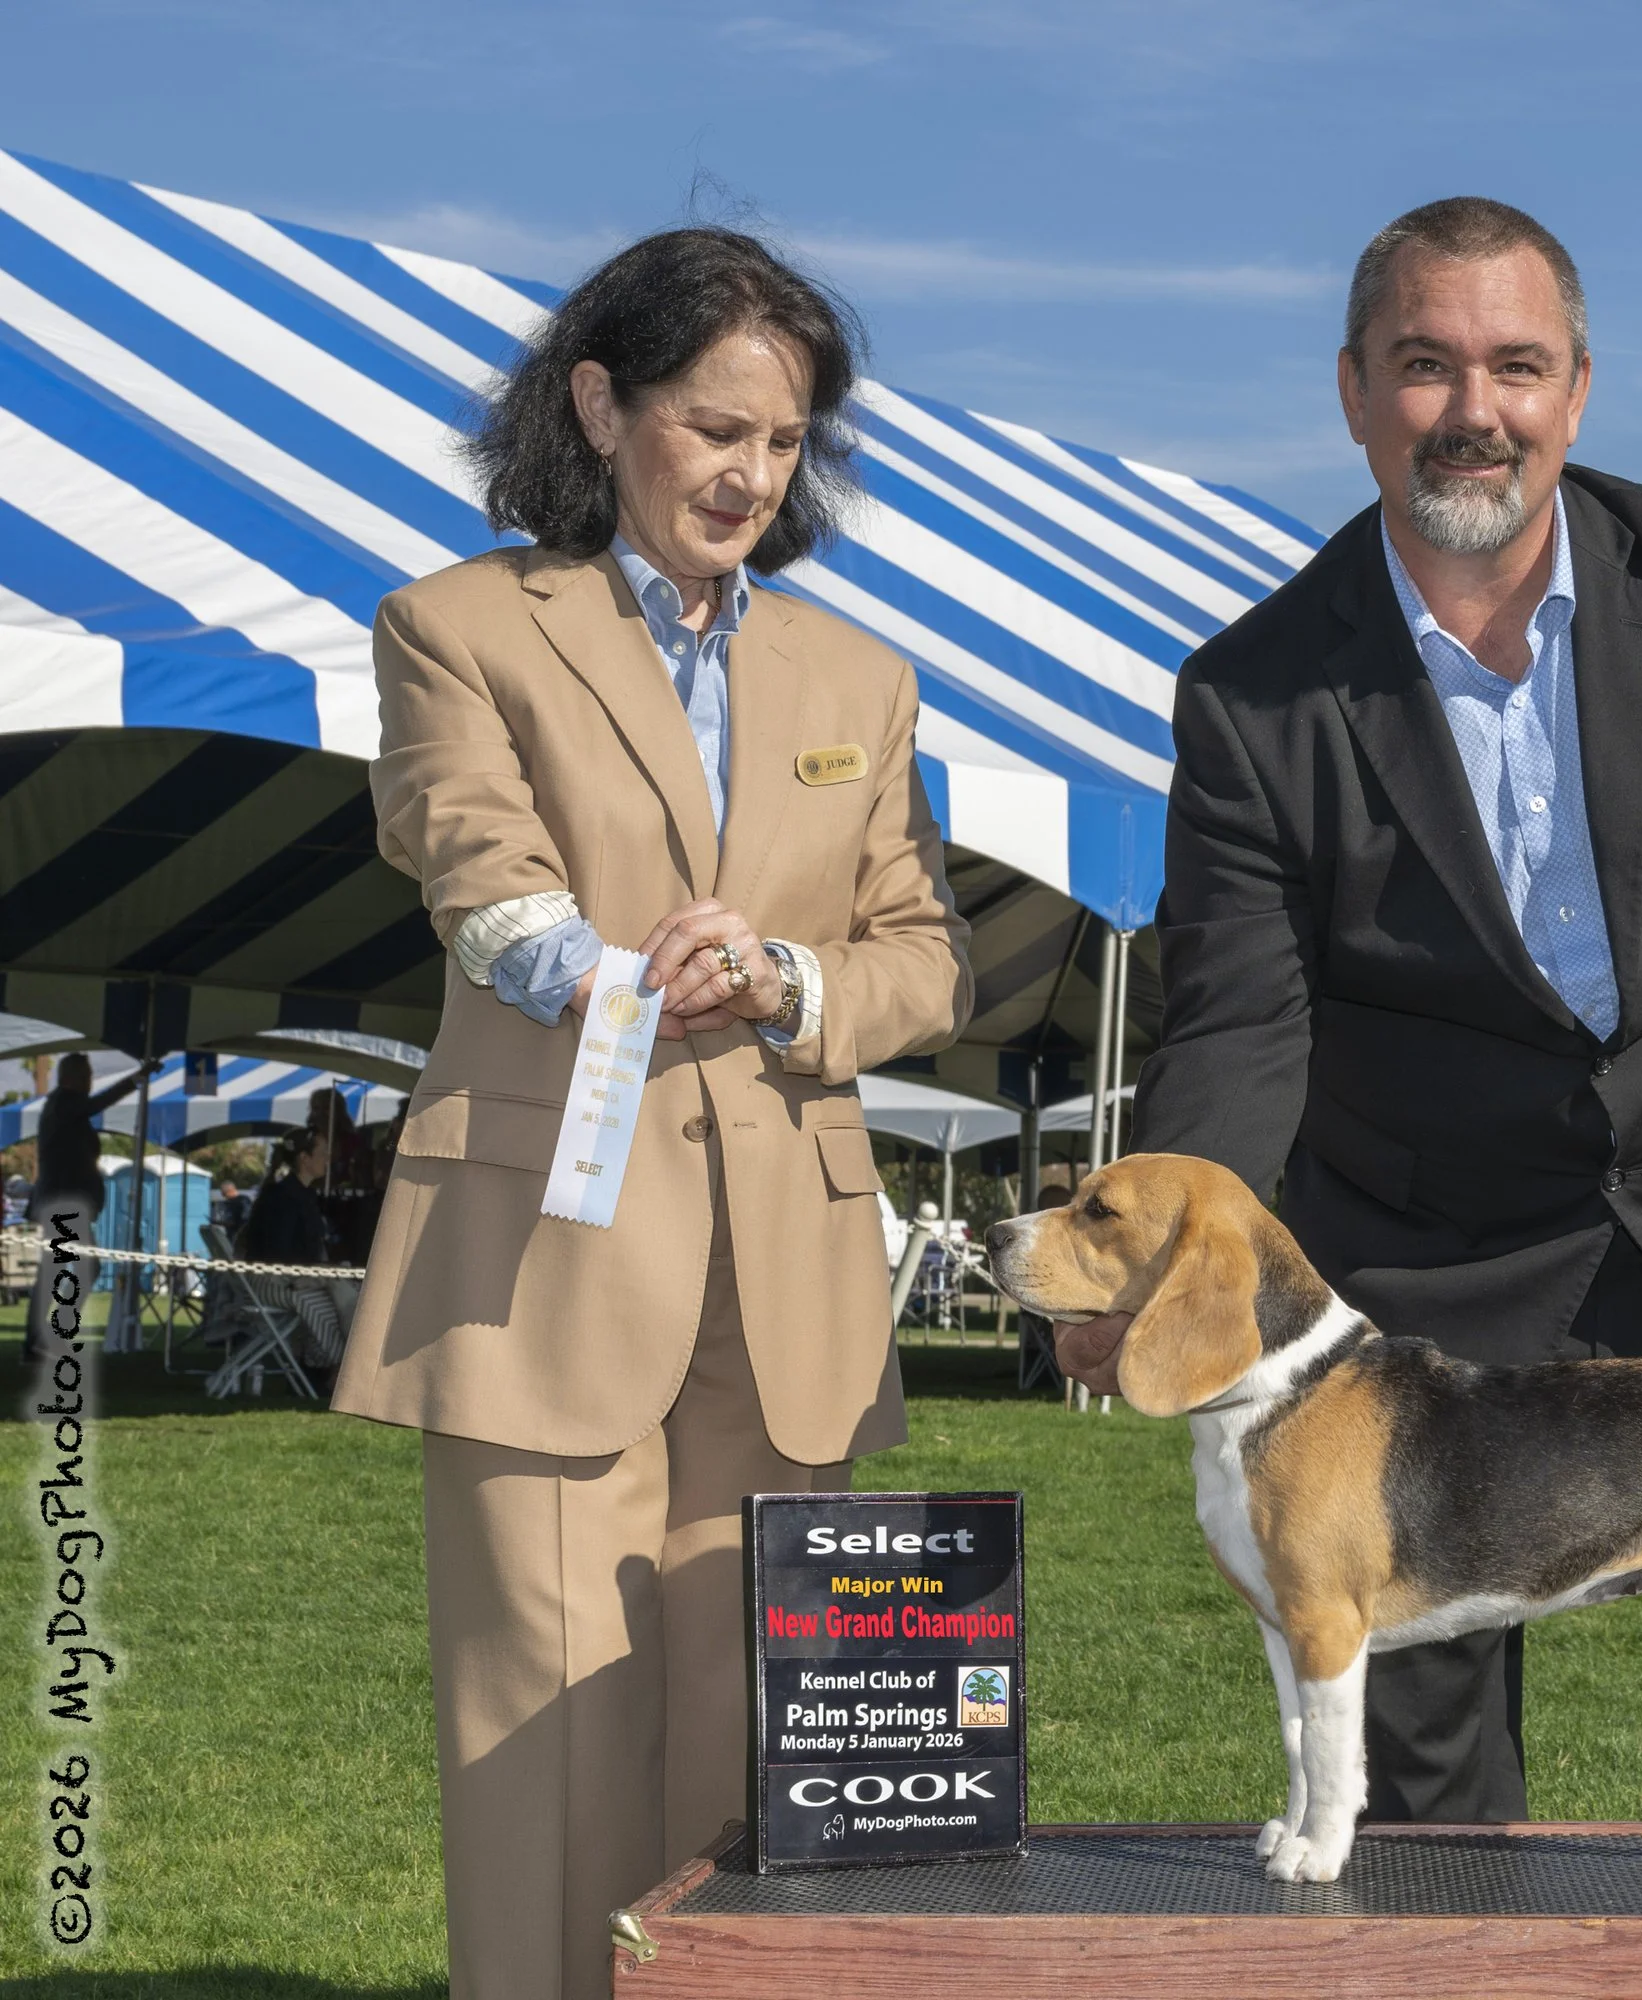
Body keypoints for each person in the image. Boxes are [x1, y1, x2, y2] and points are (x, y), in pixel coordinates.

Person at [1063, 198, 1642, 1831]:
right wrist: (1152, 1261)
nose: (1475, 410)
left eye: (1516, 366)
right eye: (1425, 366)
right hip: (1419, 1304)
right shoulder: (1252, 695)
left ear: (1578, 389)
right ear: (1353, 392)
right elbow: (1242, 1024)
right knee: (1418, 1825)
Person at [328, 228, 973, 2000]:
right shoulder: (455, 628)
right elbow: (475, 873)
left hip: (798, 1308)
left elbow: (923, 959)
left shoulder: (864, 681)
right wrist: (623, 969)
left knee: (766, 1767)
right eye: (716, 429)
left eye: (783, 441)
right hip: (544, 1276)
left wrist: (787, 979)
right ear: (602, 407)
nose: (752, 474)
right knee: (545, 1763)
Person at [22, 1053, 144, 1362]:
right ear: (72, 1078)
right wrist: (135, 1080)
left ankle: (40, 1339)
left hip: (62, 1202)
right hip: (63, 1202)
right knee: (79, 1269)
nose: (90, 1082)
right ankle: (44, 1337)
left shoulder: (62, 1108)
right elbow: (96, 1104)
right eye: (86, 1076)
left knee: (58, 1271)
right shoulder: (65, 1103)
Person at [235, 1128, 360, 1372]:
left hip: (283, 1278)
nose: (328, 1160)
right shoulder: (283, 1199)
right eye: (323, 1154)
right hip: (270, 1282)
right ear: (305, 1158)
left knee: (344, 1288)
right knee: (326, 1302)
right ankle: (339, 1368)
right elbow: (278, 1253)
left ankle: (338, 1365)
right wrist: (315, 1274)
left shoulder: (298, 1194)